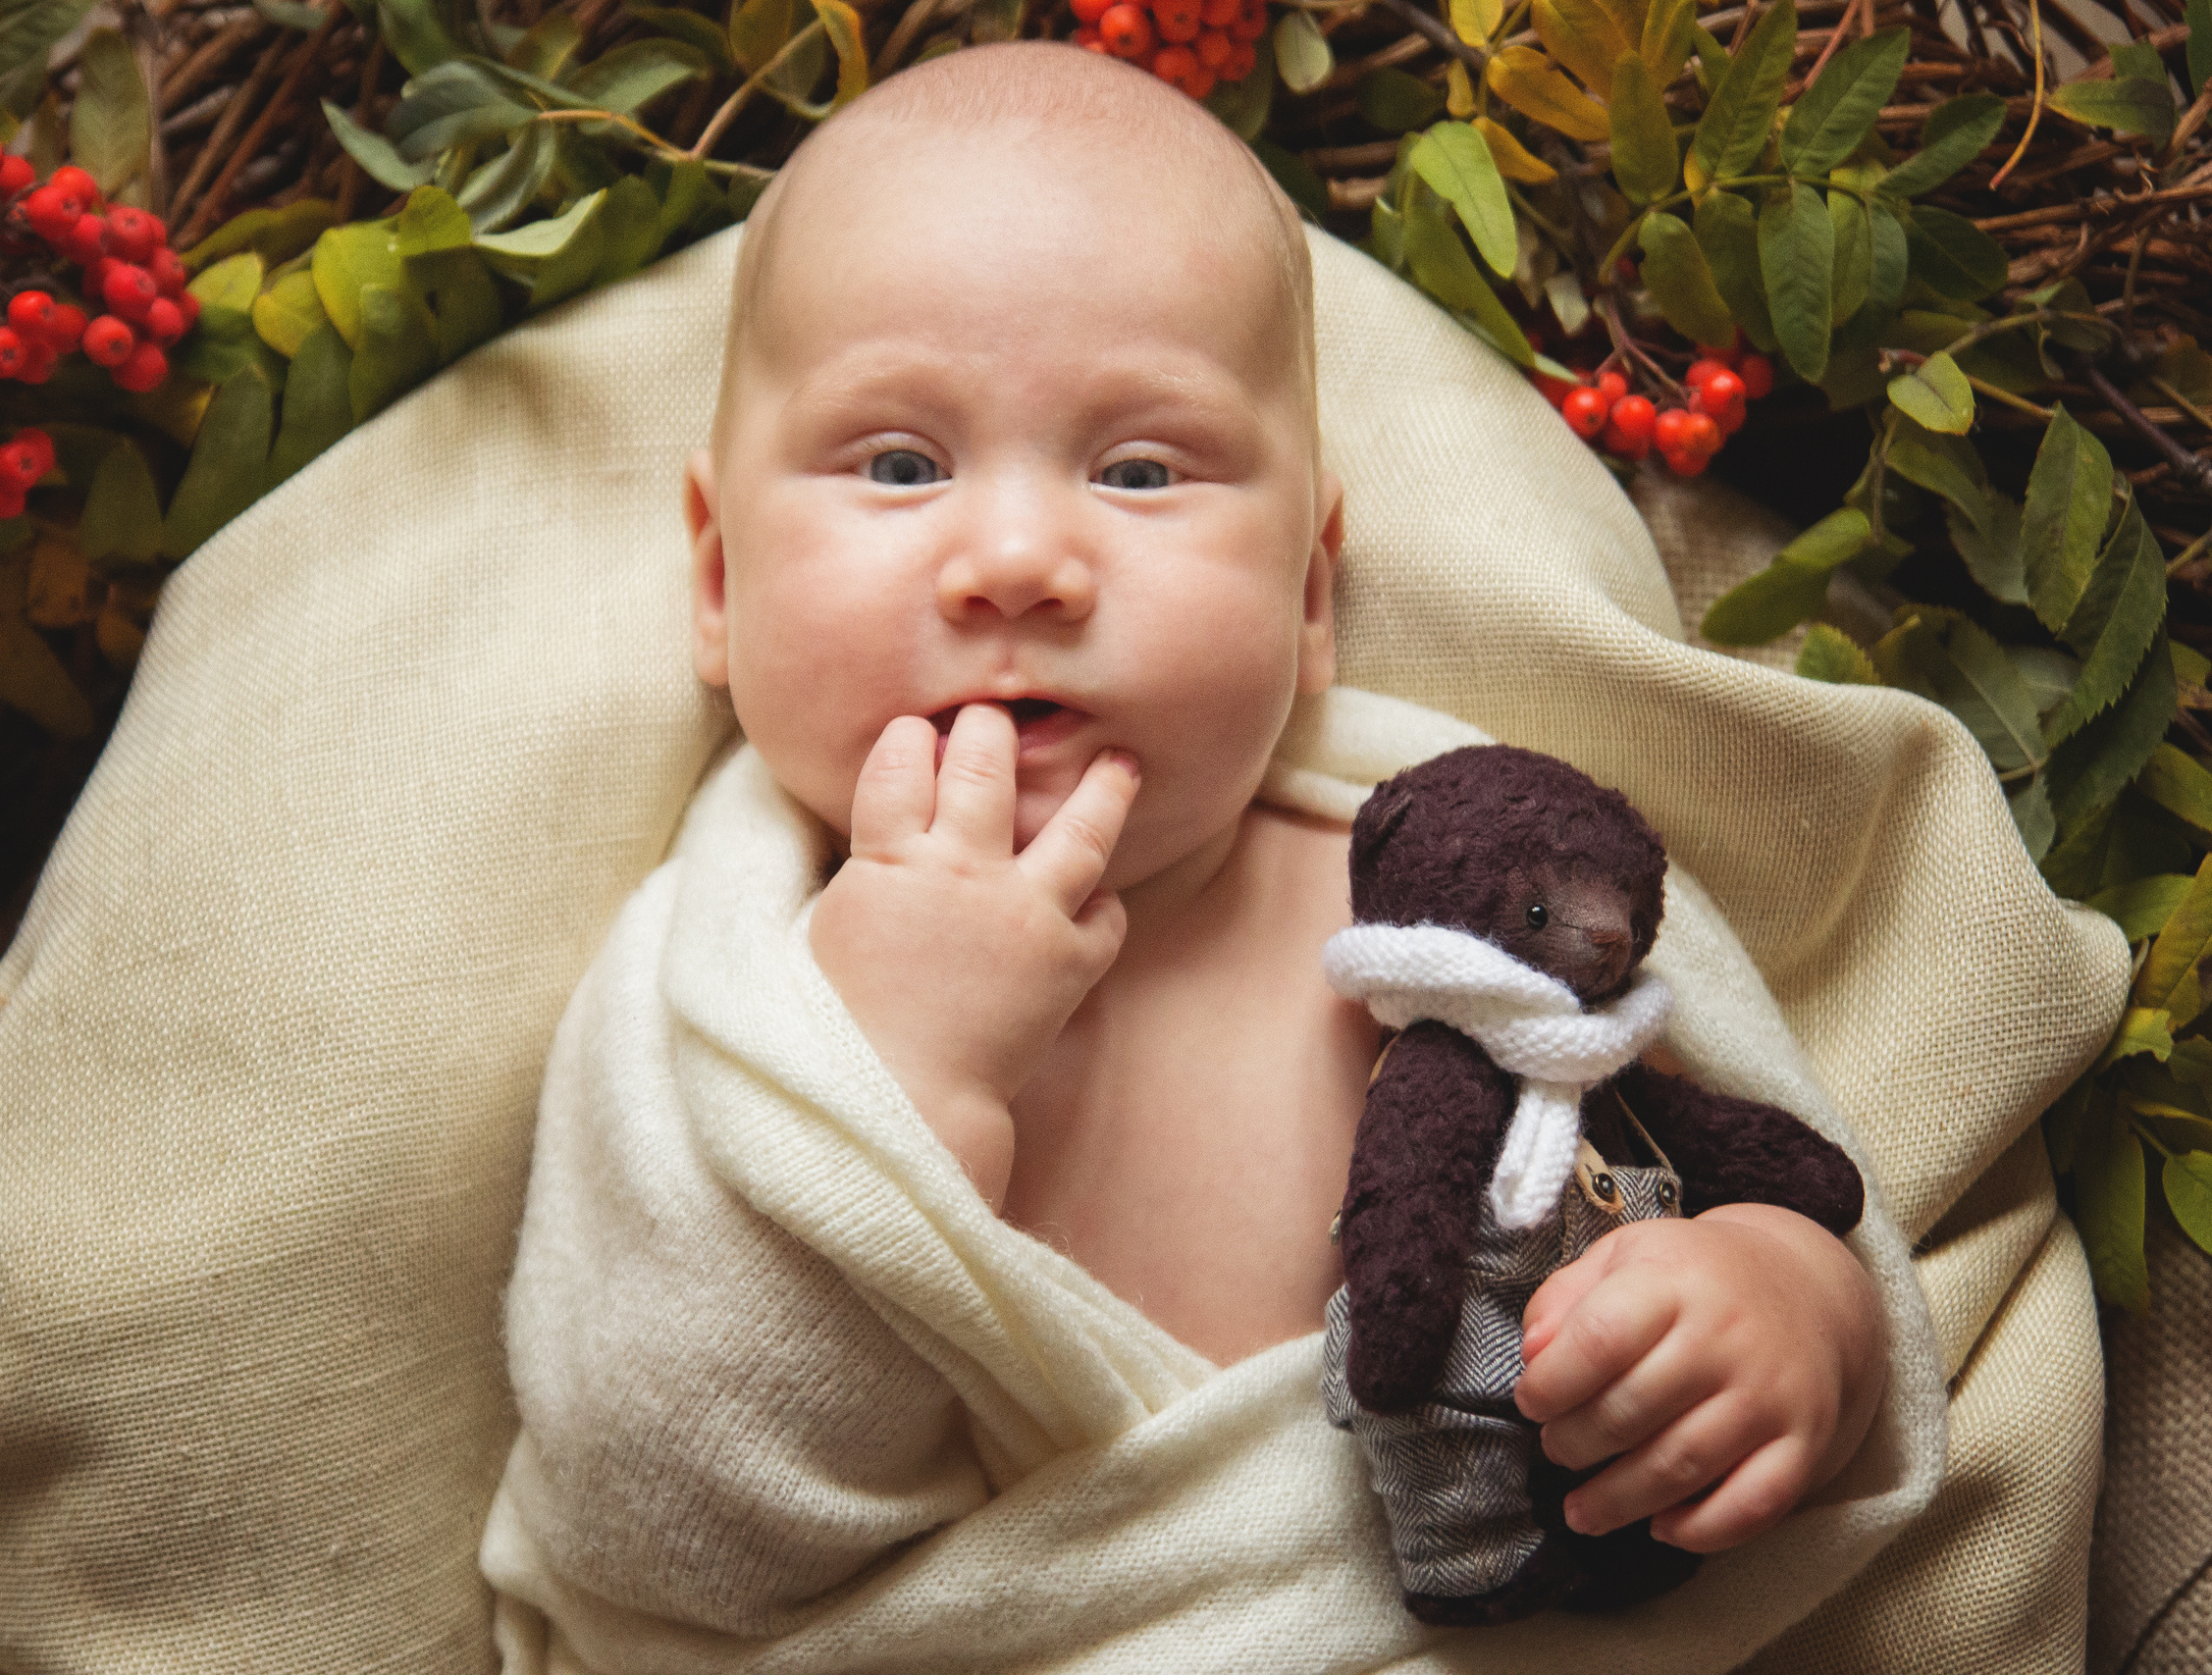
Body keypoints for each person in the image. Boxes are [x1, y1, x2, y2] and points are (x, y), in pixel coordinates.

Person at [484, 35, 1891, 1657]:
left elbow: (1760, 1150)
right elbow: (659, 1534)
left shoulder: (1464, 889)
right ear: (721, 584)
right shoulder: (721, 1003)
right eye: (898, 465)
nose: (1016, 562)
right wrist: (881, 1099)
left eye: (1141, 470)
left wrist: (1798, 1317)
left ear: (1307, 595)